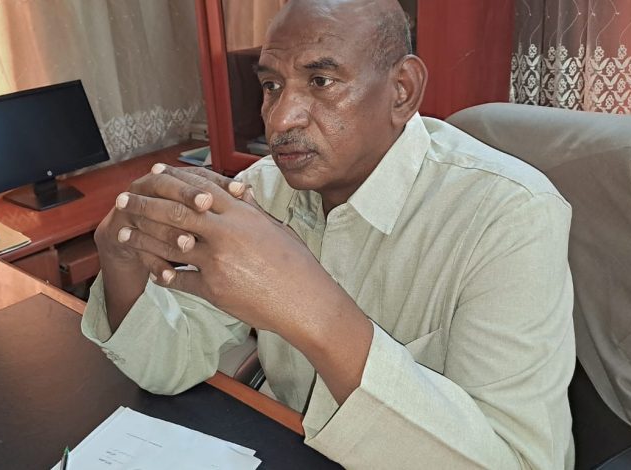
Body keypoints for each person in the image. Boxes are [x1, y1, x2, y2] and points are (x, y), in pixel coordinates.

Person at [82, 0, 576, 468]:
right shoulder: (262, 190)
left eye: (320, 81)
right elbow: (170, 364)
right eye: (272, 85)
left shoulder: (511, 215)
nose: (280, 119)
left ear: (402, 90)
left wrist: (310, 306)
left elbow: (518, 462)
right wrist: (120, 259)